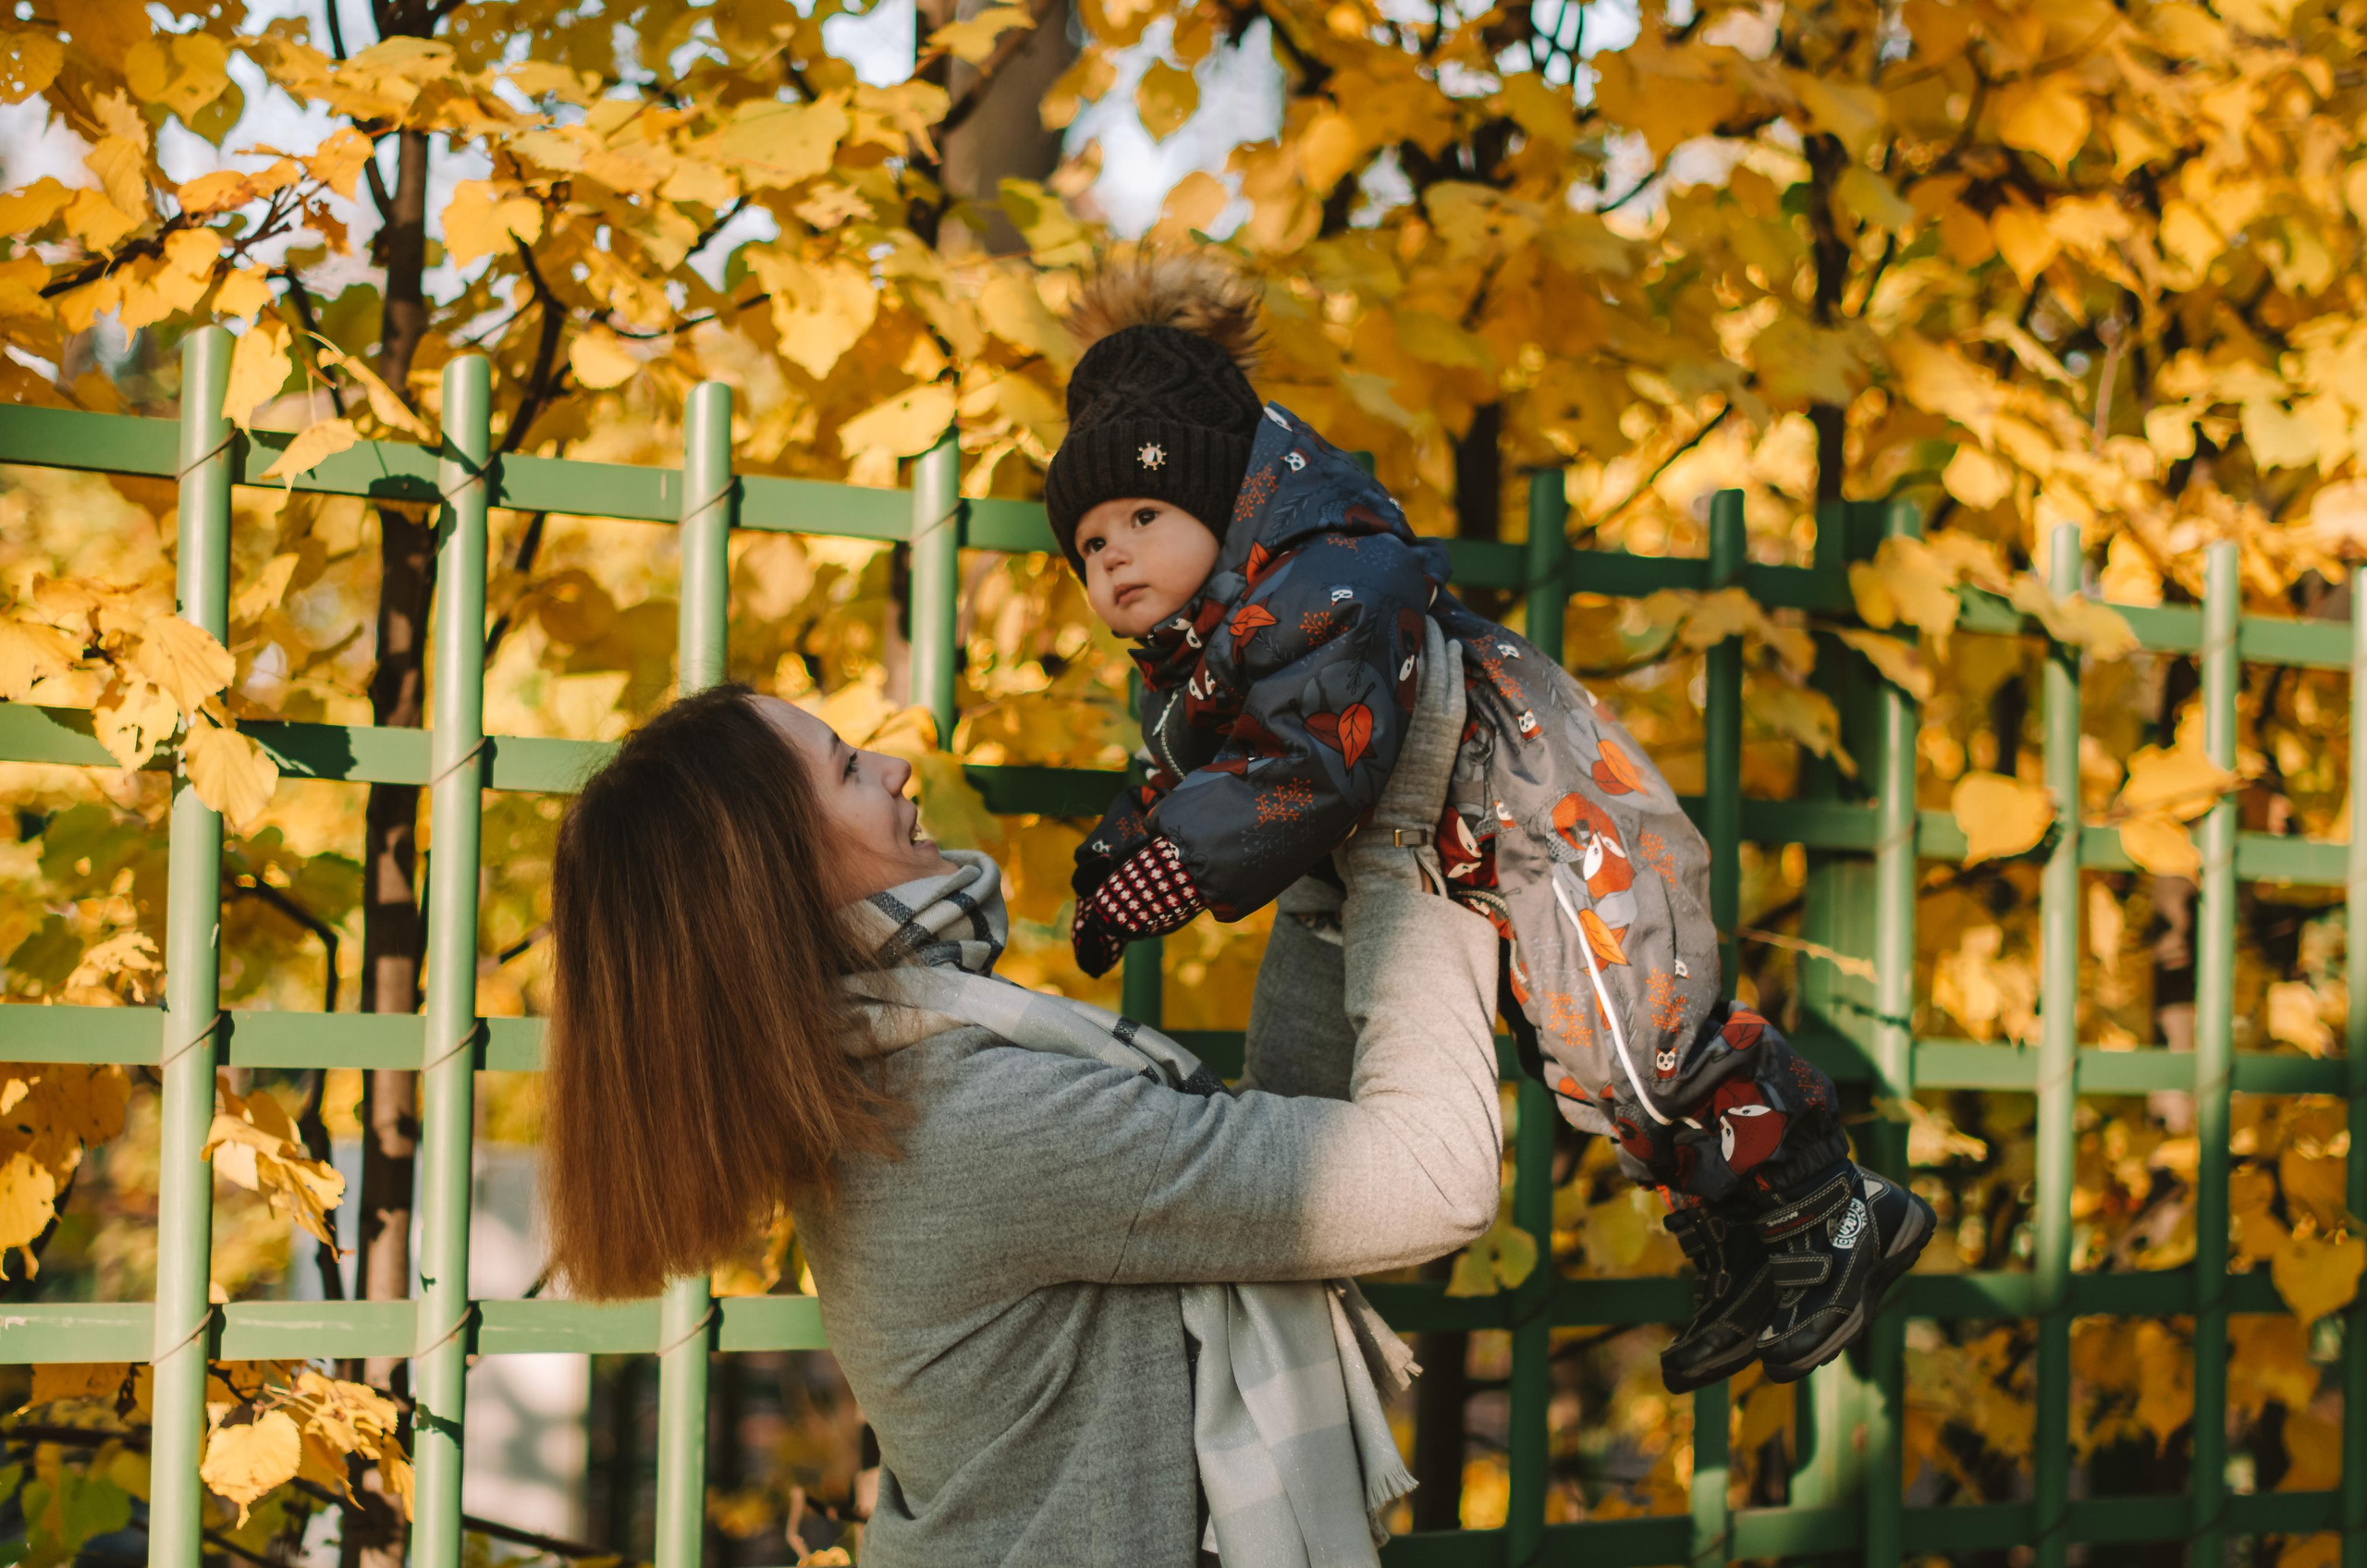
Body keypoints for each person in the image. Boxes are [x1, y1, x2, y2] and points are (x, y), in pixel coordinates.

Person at [1041, 250, 1933, 1389]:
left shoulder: (1325, 578)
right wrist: (1117, 855)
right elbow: (1173, 764)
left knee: (1634, 1026)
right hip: (1467, 852)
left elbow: (1313, 756)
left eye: (1141, 516)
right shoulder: (1206, 652)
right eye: (1087, 546)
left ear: (1219, 500)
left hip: (1535, 810)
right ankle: (1742, 1244)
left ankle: (1829, 1208)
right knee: (1581, 1054)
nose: (1111, 556)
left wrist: (1175, 867)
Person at [537, 632, 1505, 1567]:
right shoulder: (967, 1120)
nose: (893, 765)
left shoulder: (893, 1080)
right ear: (778, 875)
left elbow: (1267, 1185)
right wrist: (1405, 854)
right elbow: (1429, 1176)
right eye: (844, 770)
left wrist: (1317, 857)